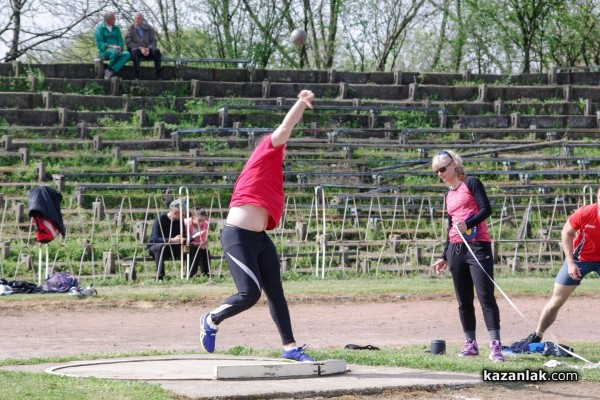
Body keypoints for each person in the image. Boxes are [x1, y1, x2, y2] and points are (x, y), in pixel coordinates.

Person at [199, 90, 316, 362]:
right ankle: (211, 319)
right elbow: (286, 127)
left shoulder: (273, 174)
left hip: (260, 238)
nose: (283, 146)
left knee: (276, 292)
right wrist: (301, 103)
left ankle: (289, 347)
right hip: (237, 236)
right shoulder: (266, 150)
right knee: (249, 294)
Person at [430, 150, 504, 362]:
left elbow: (486, 209)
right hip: (456, 249)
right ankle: (470, 343)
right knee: (463, 300)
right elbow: (450, 226)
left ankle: (495, 345)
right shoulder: (448, 195)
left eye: (442, 168)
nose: (440, 174)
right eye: (436, 171)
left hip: (477, 245)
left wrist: (469, 224)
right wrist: (445, 255)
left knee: (485, 296)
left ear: (454, 165)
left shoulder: (471, 183)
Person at [524, 187, 600, 344]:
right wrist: (571, 262)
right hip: (580, 258)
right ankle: (537, 336)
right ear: (598, 199)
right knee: (556, 301)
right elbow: (566, 232)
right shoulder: (585, 213)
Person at [147, 199, 201, 280]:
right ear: (175, 213)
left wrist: (188, 239)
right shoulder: (160, 219)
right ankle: (160, 277)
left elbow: (181, 237)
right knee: (161, 246)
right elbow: (155, 239)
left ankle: (190, 275)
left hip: (173, 248)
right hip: (156, 248)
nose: (183, 217)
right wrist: (171, 240)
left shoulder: (180, 221)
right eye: (182, 214)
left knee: (191, 247)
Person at [124, 12, 163, 80]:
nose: (136, 20)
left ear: (142, 20)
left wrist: (148, 49)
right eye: (135, 18)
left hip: (147, 50)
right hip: (136, 50)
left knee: (156, 51)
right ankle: (137, 76)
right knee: (134, 51)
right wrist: (140, 48)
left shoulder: (149, 28)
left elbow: (153, 41)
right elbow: (128, 42)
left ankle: (158, 75)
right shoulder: (130, 28)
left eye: (138, 18)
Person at [94, 11, 131, 80]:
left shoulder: (116, 28)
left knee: (127, 54)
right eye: (113, 18)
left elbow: (120, 41)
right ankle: (110, 71)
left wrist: (120, 48)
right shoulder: (99, 29)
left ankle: (110, 70)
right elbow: (100, 44)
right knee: (114, 52)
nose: (115, 19)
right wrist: (112, 47)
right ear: (108, 19)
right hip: (105, 50)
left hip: (117, 50)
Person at [184, 208, 210, 277]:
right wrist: (197, 243)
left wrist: (203, 243)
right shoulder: (186, 223)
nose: (201, 223)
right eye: (199, 220)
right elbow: (186, 239)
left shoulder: (206, 224)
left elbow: (204, 237)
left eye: (203, 220)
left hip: (198, 244)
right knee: (192, 249)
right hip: (187, 245)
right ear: (193, 217)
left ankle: (206, 273)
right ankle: (191, 274)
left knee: (205, 251)